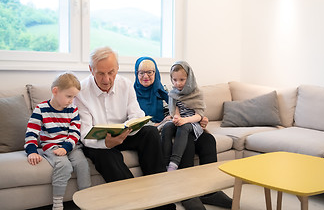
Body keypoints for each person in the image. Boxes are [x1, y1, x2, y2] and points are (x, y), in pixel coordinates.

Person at [74, 47, 175, 210]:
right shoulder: (81, 92)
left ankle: (161, 198)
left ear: (118, 69)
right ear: (91, 70)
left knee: (150, 133)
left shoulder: (126, 85)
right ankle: (137, 202)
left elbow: (137, 114)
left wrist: (129, 128)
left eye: (111, 72)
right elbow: (84, 134)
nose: (106, 79)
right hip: (99, 142)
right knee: (106, 157)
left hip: (125, 133)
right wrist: (107, 143)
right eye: (100, 73)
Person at [134, 57, 232, 209]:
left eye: (149, 72)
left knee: (208, 141)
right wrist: (163, 122)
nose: (145, 76)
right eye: (141, 73)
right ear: (136, 73)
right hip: (161, 131)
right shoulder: (132, 95)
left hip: (182, 125)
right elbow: (137, 121)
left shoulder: (165, 91)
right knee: (188, 145)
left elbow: (180, 110)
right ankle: (187, 192)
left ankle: (210, 191)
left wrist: (201, 121)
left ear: (156, 73)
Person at [24, 72, 91, 210]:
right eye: (69, 96)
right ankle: (58, 203)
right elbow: (31, 132)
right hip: (51, 146)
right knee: (64, 166)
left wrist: (66, 148)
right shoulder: (41, 109)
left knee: (82, 164)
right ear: (55, 91)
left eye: (74, 97)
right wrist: (31, 151)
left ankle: (86, 196)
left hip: (70, 146)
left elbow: (75, 132)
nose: (71, 101)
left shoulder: (72, 109)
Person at [162, 61, 205, 172]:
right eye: (174, 80)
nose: (178, 83)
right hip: (181, 120)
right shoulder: (173, 93)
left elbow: (199, 116)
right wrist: (176, 117)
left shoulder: (197, 93)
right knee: (166, 127)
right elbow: (175, 110)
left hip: (193, 122)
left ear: (189, 78)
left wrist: (184, 120)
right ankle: (165, 163)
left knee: (184, 127)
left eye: (182, 80)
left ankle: (173, 164)